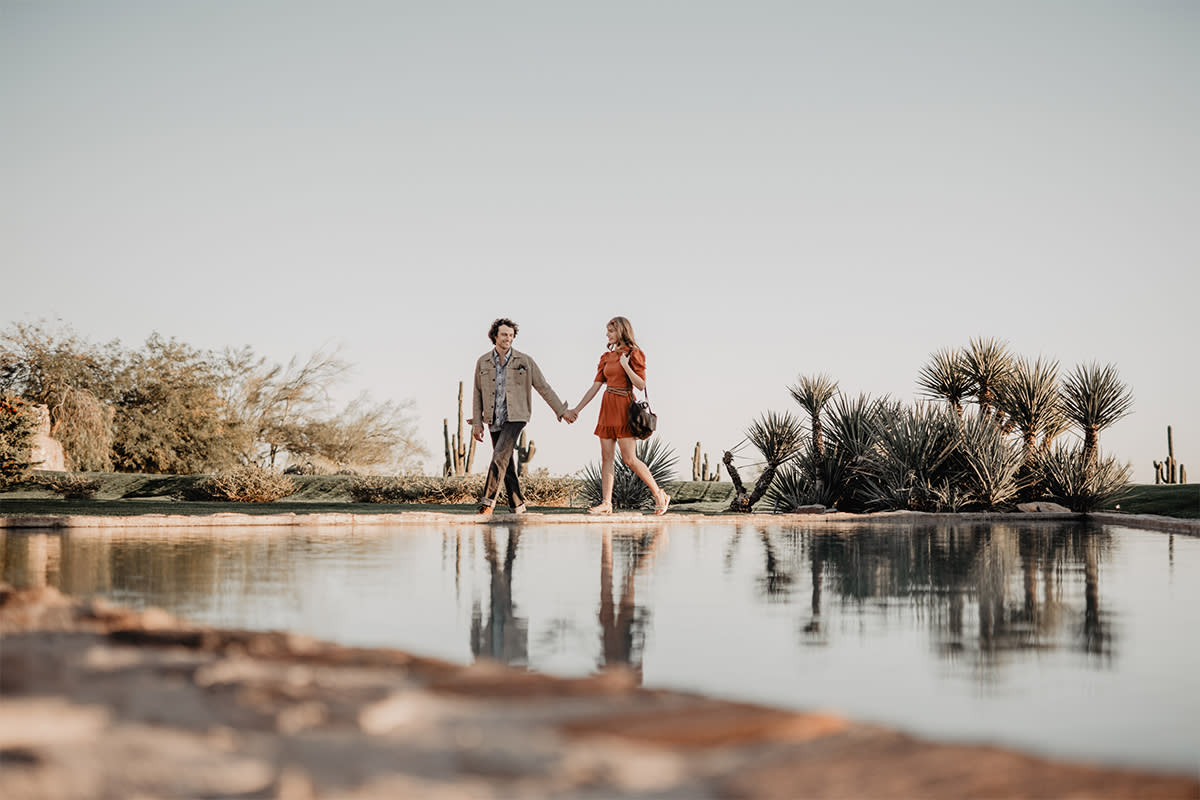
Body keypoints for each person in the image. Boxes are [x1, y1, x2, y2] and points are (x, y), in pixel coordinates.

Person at [471, 317, 575, 517]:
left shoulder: (525, 361)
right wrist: (477, 423)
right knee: (506, 462)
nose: (508, 338)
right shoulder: (482, 361)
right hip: (494, 417)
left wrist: (561, 411)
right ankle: (518, 506)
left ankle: (487, 503)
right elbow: (477, 393)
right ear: (495, 336)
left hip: (516, 416)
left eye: (511, 335)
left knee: (499, 455)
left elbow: (543, 387)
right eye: (504, 335)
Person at [567, 316, 670, 515]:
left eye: (611, 331)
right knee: (606, 458)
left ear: (621, 331)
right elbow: (595, 387)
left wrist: (626, 366)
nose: (607, 335)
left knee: (629, 458)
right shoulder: (605, 357)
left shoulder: (634, 354)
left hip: (624, 407)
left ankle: (659, 494)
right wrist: (577, 409)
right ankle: (606, 503)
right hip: (607, 407)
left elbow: (640, 384)